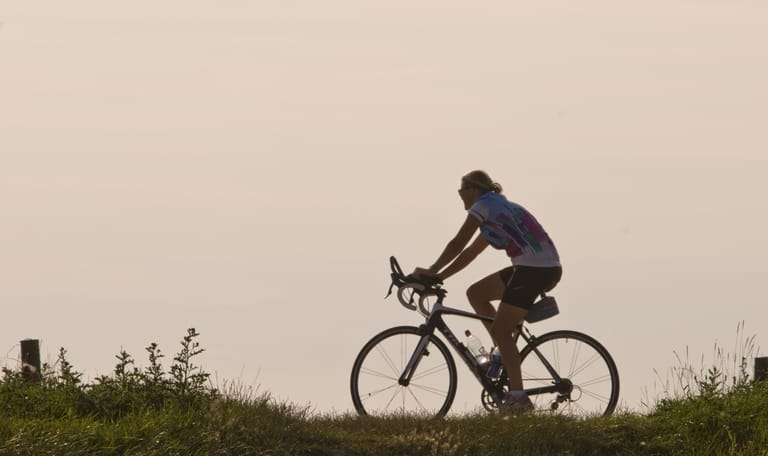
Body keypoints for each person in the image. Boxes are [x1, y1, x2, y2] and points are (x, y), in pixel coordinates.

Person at [412, 170, 562, 412]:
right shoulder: (496, 208)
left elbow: (458, 243)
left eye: (461, 191)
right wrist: (439, 277)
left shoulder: (483, 206)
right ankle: (502, 354)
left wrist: (432, 270)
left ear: (473, 190)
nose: (460, 195)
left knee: (501, 330)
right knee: (476, 294)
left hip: (533, 270)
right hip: (540, 268)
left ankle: (518, 399)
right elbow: (470, 253)